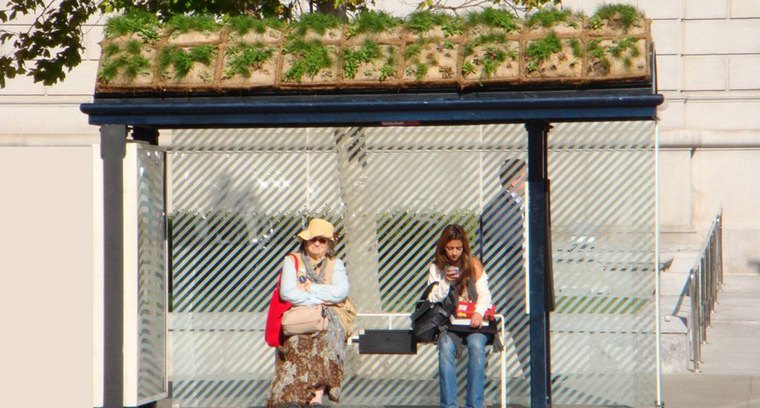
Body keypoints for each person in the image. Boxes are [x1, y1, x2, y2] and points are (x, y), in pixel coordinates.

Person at [266, 218, 350, 408]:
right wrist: (319, 299)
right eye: (314, 239)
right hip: (300, 316)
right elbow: (287, 292)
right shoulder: (292, 261)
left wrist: (310, 289)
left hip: (328, 318)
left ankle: (317, 398)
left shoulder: (335, 264)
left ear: (329, 243)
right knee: (296, 344)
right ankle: (291, 398)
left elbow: (341, 292)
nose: (318, 243)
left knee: (326, 343)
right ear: (305, 240)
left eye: (323, 240)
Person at [477, 158, 531, 396]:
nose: (528, 183)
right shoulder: (501, 208)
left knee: (518, 332)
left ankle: (536, 376)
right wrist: (514, 282)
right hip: (503, 286)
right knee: (492, 334)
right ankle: (476, 381)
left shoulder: (509, 206)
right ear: (514, 182)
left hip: (509, 285)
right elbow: (504, 249)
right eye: (526, 178)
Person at [427, 224, 493, 408]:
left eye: (458, 248)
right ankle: (449, 405)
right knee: (446, 347)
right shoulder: (436, 267)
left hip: (474, 321)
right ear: (443, 247)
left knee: (476, 345)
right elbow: (432, 298)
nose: (454, 253)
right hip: (450, 323)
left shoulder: (473, 264)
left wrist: (479, 313)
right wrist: (445, 282)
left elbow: (484, 294)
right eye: (450, 248)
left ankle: (474, 404)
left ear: (464, 247)